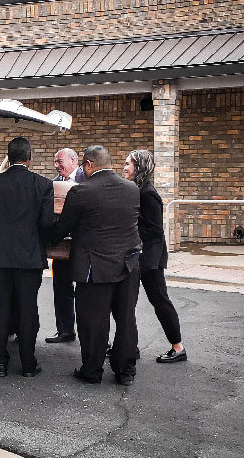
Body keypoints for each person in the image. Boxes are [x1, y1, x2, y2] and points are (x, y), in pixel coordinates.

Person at [49, 145, 142, 386]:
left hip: (94, 267)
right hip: (128, 265)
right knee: (126, 319)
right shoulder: (132, 189)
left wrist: (43, 237)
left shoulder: (81, 192)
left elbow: (62, 228)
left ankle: (92, 370)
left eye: (83, 166)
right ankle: (125, 371)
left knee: (93, 322)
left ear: (89, 165)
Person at [0, 137, 55, 378]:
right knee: (28, 311)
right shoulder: (43, 185)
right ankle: (28, 364)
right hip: (29, 260)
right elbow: (47, 223)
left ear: (9, 157)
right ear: (29, 158)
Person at [122, 150, 187, 363]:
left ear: (139, 167)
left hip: (149, 259)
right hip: (138, 256)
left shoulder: (148, 193)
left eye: (128, 164)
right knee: (127, 303)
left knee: (160, 301)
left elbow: (155, 231)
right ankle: (130, 347)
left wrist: (129, 229)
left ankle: (178, 348)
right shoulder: (136, 190)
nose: (124, 168)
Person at [46, 148, 87, 344]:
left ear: (73, 160)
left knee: (85, 293)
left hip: (82, 246)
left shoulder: (85, 179)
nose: (57, 165)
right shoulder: (54, 183)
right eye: (55, 162)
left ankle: (90, 334)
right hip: (60, 247)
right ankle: (65, 330)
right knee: (61, 288)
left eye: (59, 161)